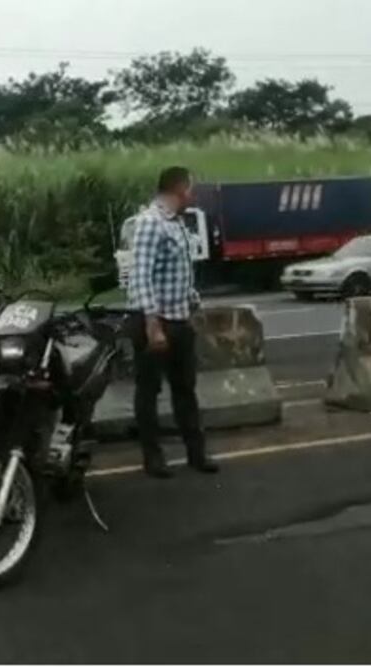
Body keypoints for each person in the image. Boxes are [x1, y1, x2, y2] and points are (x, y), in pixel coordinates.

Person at [126, 166, 219, 479]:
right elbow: (141, 276)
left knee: (185, 390)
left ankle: (197, 453)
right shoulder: (150, 222)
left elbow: (179, 274)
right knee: (149, 392)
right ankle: (153, 458)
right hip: (155, 322)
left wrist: (193, 303)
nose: (193, 195)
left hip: (179, 319)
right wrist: (153, 326)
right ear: (179, 189)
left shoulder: (178, 223)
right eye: (191, 189)